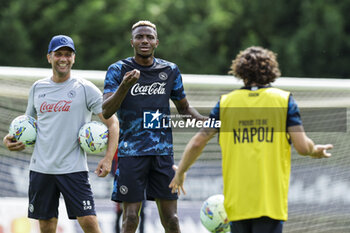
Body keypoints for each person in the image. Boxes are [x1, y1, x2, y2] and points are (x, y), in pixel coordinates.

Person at [169, 46, 333, 233]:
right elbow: (302, 147)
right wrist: (314, 150)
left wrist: (181, 171)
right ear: (271, 71)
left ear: (240, 72)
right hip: (270, 202)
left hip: (237, 205)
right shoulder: (284, 101)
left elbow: (198, 142)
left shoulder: (226, 104)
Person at [2, 35, 119, 233]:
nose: (63, 58)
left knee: (90, 223)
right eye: (58, 54)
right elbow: (26, 125)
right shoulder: (38, 88)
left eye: (68, 54)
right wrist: (9, 138)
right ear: (49, 57)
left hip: (73, 169)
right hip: (41, 169)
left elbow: (113, 123)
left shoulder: (85, 88)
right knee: (47, 227)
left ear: (73, 58)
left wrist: (108, 159)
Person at [102, 20, 206, 233]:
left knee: (172, 219)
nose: (144, 40)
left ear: (156, 42)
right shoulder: (118, 70)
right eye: (139, 37)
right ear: (132, 41)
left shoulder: (170, 70)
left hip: (162, 155)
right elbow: (106, 111)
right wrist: (124, 86)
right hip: (131, 155)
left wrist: (210, 122)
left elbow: (185, 110)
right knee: (130, 218)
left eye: (149, 37)